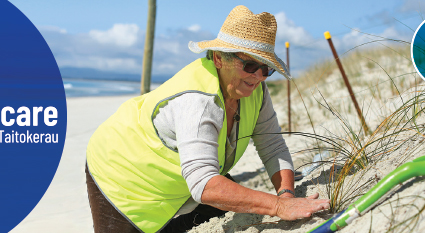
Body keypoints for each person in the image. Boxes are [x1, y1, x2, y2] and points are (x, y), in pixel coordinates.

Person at [85, 5, 330, 233]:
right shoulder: (198, 102)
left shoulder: (256, 91)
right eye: (249, 65)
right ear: (219, 59)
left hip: (188, 178)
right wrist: (277, 207)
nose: (258, 76)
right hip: (119, 170)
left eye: (266, 68)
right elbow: (205, 185)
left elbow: (272, 146)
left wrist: (286, 194)